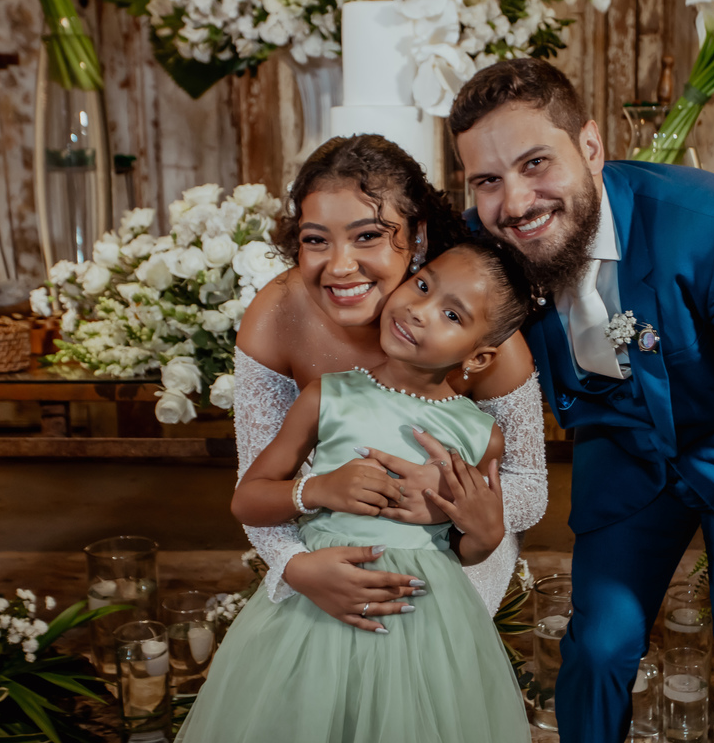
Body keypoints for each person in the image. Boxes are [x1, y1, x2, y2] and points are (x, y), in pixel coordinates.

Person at [449, 59, 714, 743]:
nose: (516, 202)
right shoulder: (486, 244)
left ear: (591, 146)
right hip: (624, 445)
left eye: (536, 163)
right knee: (596, 648)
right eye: (487, 180)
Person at [162, 241, 538, 743]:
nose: (419, 310)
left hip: (424, 621)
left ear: (478, 357)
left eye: (452, 315)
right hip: (315, 616)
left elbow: (466, 550)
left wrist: (485, 532)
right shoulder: (327, 396)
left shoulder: (481, 436)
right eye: (422, 285)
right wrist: (316, 490)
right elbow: (247, 499)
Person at [233, 135, 546, 629]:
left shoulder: (476, 327)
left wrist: (449, 498)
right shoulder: (277, 315)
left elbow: (527, 482)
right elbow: (254, 483)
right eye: (316, 240)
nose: (340, 267)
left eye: (368, 236)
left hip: (448, 570)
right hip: (319, 542)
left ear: (417, 237)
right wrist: (296, 567)